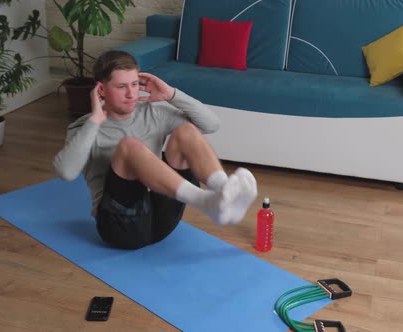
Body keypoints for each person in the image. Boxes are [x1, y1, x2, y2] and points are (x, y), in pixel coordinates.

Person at [54, 50, 257, 249]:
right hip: (121, 227)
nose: (131, 93)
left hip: (163, 219)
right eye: (121, 86)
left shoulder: (153, 112)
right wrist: (95, 120)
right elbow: (66, 172)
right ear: (101, 90)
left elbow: (212, 125)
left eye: (134, 84)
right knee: (130, 146)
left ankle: (222, 191)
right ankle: (205, 202)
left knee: (185, 131)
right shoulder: (85, 128)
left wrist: (171, 94)